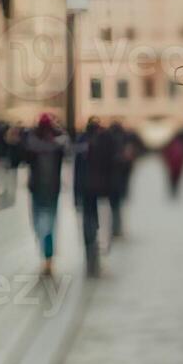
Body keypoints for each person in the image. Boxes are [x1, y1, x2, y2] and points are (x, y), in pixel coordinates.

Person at [22, 113, 68, 274]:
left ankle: (46, 254)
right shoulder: (57, 146)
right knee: (49, 223)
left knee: (38, 223)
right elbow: (65, 142)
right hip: (51, 189)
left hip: (37, 189)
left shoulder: (33, 145)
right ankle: (48, 258)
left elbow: (23, 152)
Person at [72, 118, 110, 276]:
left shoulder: (82, 145)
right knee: (94, 224)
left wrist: (76, 196)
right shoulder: (103, 143)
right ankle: (93, 257)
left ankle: (91, 258)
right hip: (98, 191)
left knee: (89, 225)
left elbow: (77, 173)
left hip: (87, 191)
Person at [103, 119, 141, 239]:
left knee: (112, 206)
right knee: (117, 206)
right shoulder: (124, 142)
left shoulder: (108, 142)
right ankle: (117, 229)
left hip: (110, 181)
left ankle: (114, 229)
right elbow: (128, 166)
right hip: (119, 181)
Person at [161, 127, 183, 199]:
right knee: (174, 179)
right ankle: (173, 191)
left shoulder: (174, 144)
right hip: (175, 166)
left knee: (174, 179)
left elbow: (166, 154)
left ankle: (174, 191)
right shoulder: (180, 146)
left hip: (175, 166)